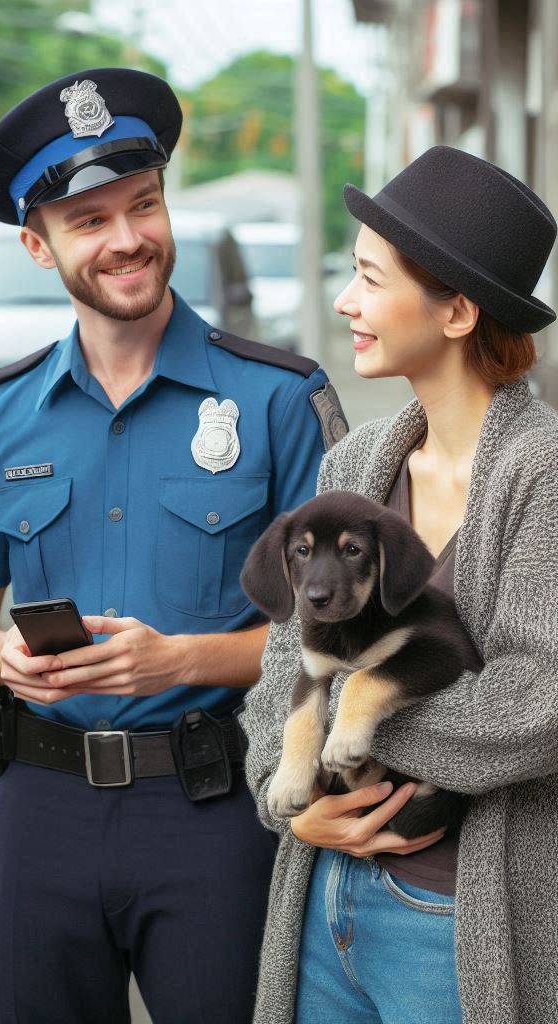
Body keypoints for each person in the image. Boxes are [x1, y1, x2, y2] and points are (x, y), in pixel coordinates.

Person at [0, 67, 346, 1024]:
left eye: (142, 206)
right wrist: (7, 660)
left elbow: (339, 646)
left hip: (216, 809)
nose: (127, 240)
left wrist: (178, 660)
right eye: (89, 221)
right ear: (38, 245)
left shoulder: (279, 399)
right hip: (39, 810)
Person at [239, 145, 558, 1024]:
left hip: (454, 915)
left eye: (370, 279)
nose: (347, 301)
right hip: (324, 892)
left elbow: (539, 706)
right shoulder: (355, 463)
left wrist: (356, 712)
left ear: (456, 311)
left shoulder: (544, 473)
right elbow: (279, 676)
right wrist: (291, 798)